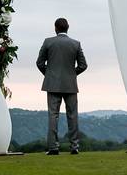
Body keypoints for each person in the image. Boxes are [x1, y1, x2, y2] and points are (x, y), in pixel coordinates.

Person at [36, 17, 88, 155]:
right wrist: (72, 74)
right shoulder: (75, 44)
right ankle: (74, 147)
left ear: (55, 28)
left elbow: (39, 63)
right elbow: (83, 65)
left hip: (52, 84)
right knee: (73, 115)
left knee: (53, 115)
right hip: (70, 84)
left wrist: (49, 75)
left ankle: (53, 148)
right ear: (68, 27)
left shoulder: (48, 42)